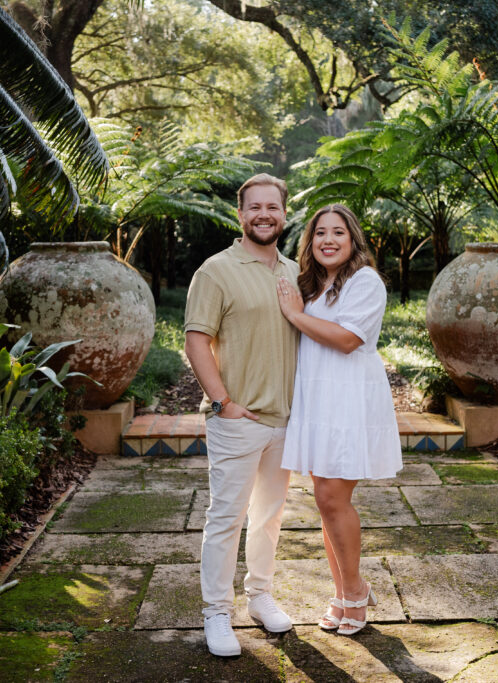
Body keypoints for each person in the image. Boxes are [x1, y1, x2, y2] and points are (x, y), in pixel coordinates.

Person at [184, 173, 299, 657]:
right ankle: (216, 612)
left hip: (286, 421)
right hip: (238, 421)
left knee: (269, 516)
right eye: (254, 207)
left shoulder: (296, 272)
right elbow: (195, 340)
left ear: (284, 214)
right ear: (241, 215)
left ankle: (260, 597)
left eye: (272, 206)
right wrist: (223, 403)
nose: (264, 214)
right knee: (226, 519)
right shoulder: (215, 270)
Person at [275, 203, 402, 636]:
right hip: (316, 398)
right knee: (325, 501)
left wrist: (295, 315)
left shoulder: (365, 281)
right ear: (310, 241)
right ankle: (345, 592)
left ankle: (354, 591)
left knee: (332, 499)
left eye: (338, 233)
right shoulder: (309, 285)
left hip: (348, 400)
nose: (328, 240)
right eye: (320, 233)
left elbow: (348, 340)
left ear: (353, 241)